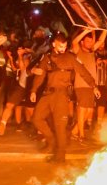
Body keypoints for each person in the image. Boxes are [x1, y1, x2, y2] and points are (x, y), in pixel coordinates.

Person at [30, 32, 99, 163]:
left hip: (61, 96)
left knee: (60, 127)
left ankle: (60, 157)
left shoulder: (71, 58)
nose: (63, 48)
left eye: (65, 46)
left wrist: (93, 86)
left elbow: (83, 72)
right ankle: (52, 141)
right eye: (61, 46)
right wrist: (33, 90)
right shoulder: (47, 57)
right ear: (54, 44)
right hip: (47, 94)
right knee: (36, 119)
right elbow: (40, 75)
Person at [70, 27, 107, 142]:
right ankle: (81, 135)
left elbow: (100, 41)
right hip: (81, 84)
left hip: (92, 85)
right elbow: (74, 42)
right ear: (82, 42)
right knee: (82, 109)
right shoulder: (78, 50)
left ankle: (74, 132)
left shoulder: (92, 51)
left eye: (91, 41)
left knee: (90, 110)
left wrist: (106, 28)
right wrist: (86, 31)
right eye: (88, 41)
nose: (90, 43)